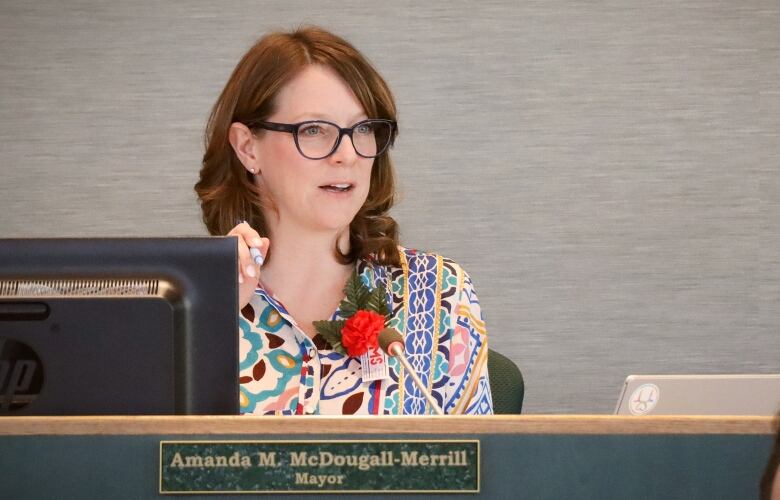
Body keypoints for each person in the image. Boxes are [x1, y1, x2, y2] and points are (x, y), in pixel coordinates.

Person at [195, 26, 492, 415]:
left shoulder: (438, 293)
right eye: (314, 130)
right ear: (249, 148)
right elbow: (145, 462)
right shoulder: (188, 301)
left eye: (363, 129)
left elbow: (476, 469)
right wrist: (212, 318)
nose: (348, 154)